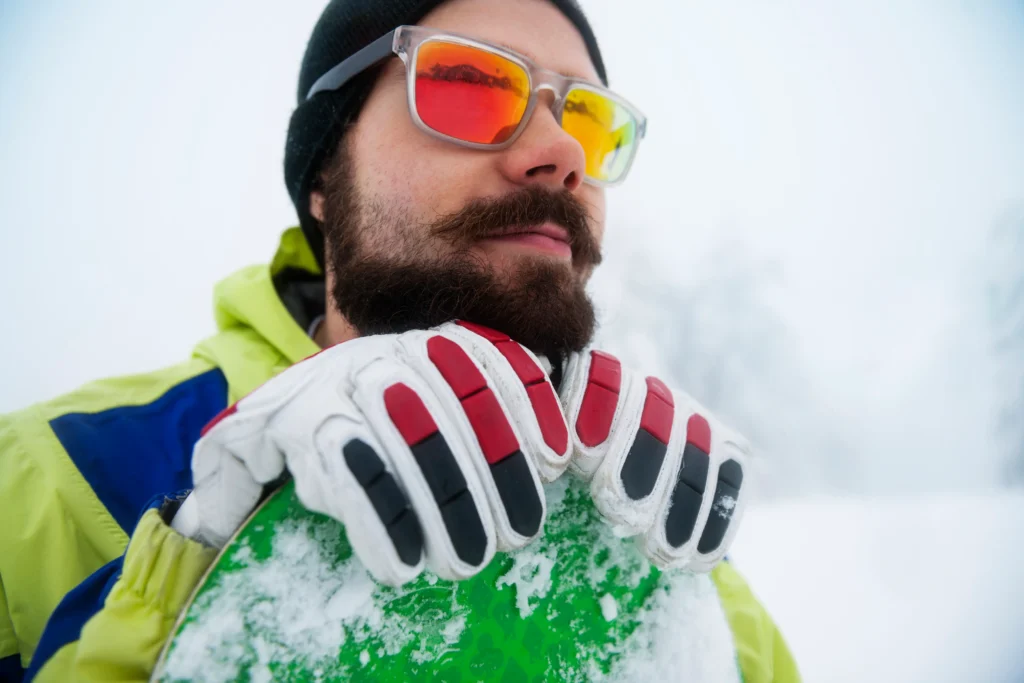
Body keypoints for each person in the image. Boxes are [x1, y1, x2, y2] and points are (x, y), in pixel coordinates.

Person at [0, 0, 800, 680]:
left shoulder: (670, 566)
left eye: (587, 120)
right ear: (322, 175)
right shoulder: (47, 481)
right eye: (472, 87)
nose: (562, 155)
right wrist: (190, 582)